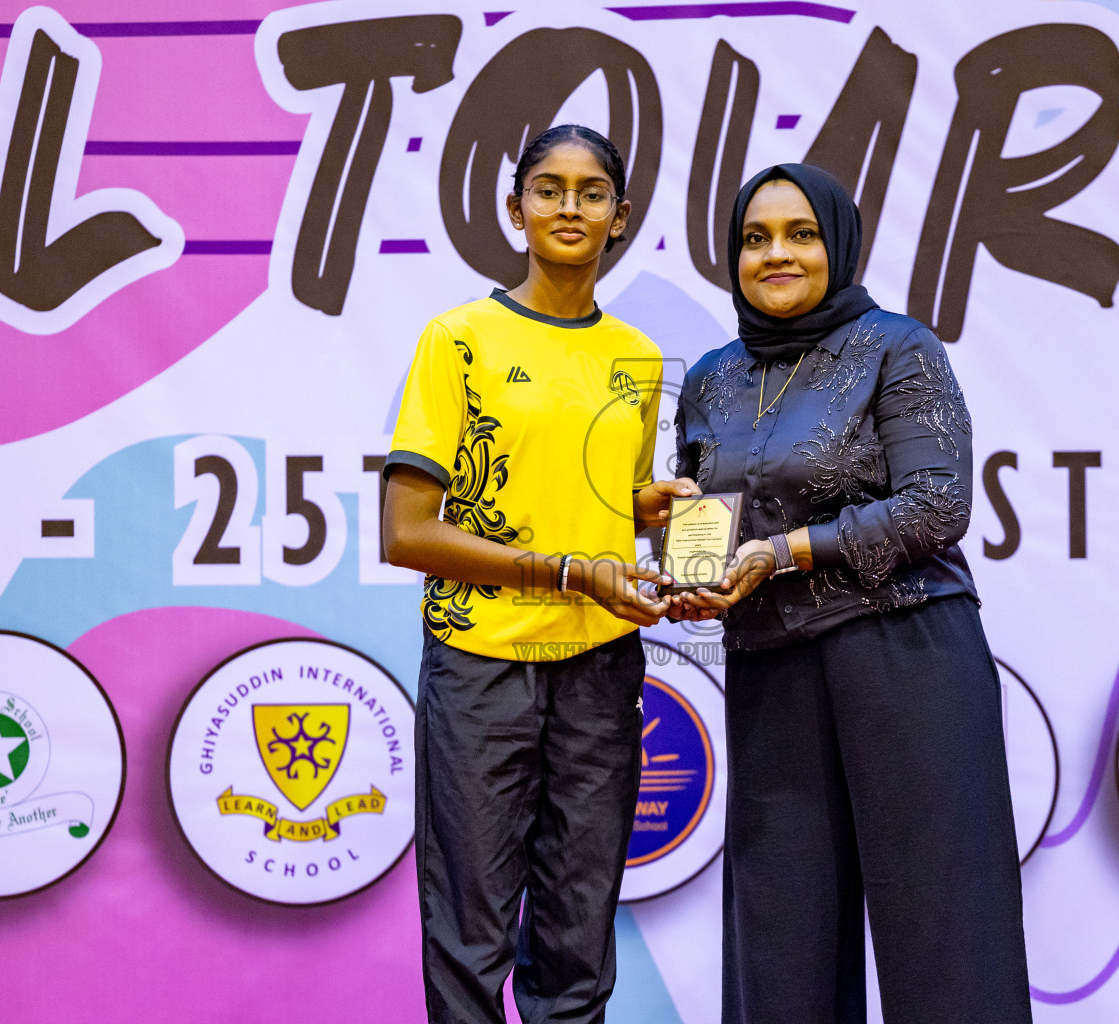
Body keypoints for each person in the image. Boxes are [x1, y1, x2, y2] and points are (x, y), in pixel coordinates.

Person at [669, 164, 1033, 1024]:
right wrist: (689, 575)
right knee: (779, 939)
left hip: (905, 652)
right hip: (770, 664)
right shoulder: (712, 377)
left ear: (838, 243)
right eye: (755, 239)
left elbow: (937, 505)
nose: (776, 254)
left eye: (801, 234)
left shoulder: (897, 347)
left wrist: (788, 550)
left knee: (946, 930)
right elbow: (707, 517)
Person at [381, 124, 697, 1024]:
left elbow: (592, 496)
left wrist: (648, 512)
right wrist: (566, 569)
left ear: (620, 218)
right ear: (515, 210)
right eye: (548, 189)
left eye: (592, 191)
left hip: (600, 666)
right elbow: (406, 532)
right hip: (481, 660)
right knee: (470, 934)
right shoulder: (460, 339)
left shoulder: (636, 358)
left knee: (577, 937)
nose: (569, 206)